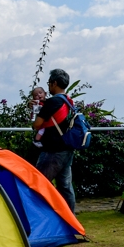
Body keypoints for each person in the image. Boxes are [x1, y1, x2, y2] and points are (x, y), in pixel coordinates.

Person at [32, 68, 76, 212]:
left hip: (53, 150)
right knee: (65, 186)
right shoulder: (68, 101)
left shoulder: (52, 102)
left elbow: (37, 124)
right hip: (67, 147)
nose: (49, 86)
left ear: (54, 83)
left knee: (39, 183)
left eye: (49, 83)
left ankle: (39, 216)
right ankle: (70, 220)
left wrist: (35, 113)